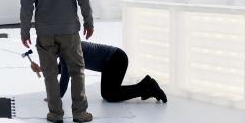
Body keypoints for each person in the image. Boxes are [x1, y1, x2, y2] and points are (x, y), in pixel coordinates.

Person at [20, 0, 94, 123]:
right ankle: (79, 113)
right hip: (69, 32)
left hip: (45, 33)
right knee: (77, 71)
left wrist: (25, 32)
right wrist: (88, 23)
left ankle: (55, 114)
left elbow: (26, 6)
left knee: (50, 73)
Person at [30, 41, 167, 103]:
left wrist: (54, 98)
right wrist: (42, 69)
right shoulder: (68, 47)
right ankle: (146, 85)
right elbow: (60, 69)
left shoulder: (67, 53)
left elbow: (64, 80)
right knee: (110, 93)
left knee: (110, 95)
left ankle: (148, 87)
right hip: (113, 60)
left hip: (116, 60)